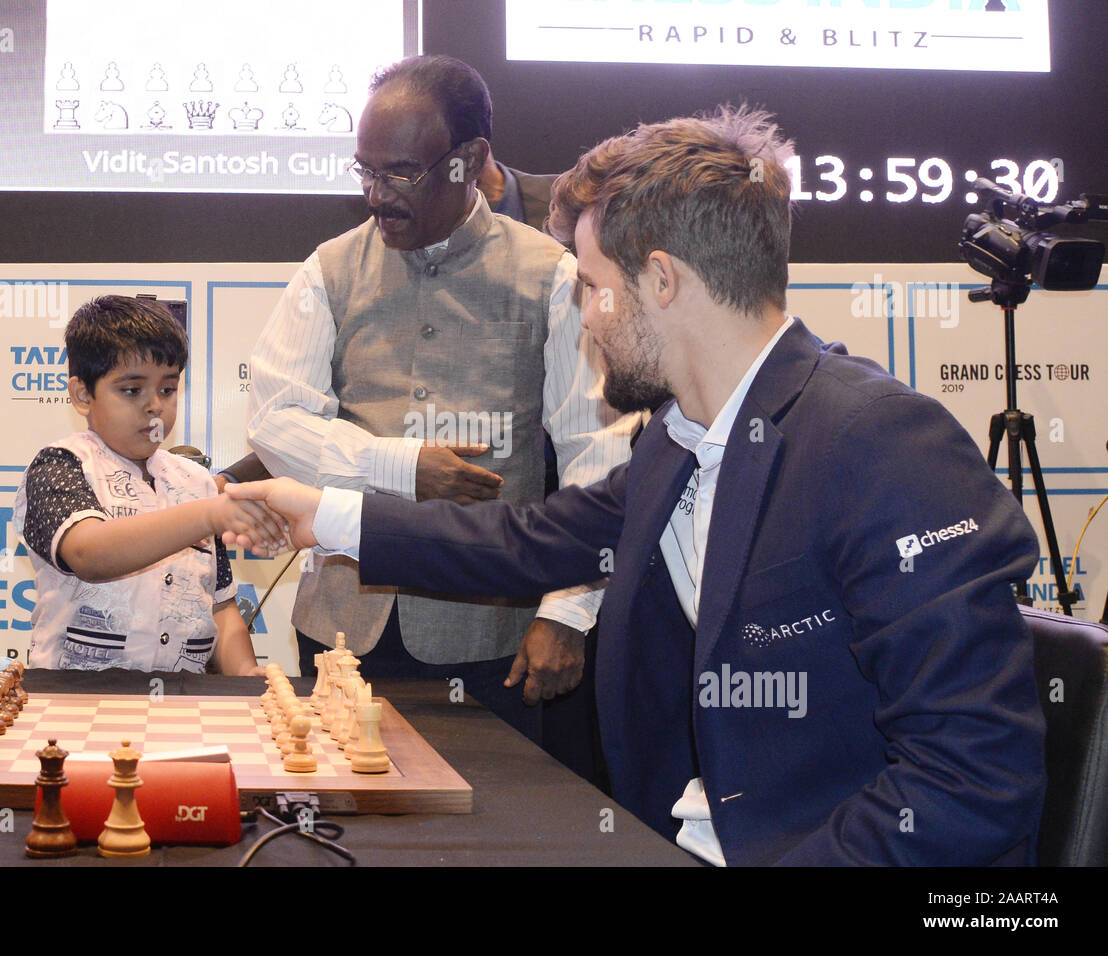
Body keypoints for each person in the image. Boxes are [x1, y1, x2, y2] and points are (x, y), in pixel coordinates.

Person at [223, 106, 1047, 865]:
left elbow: (969, 787)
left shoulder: (880, 444)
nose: (583, 316)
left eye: (590, 284)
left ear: (661, 281)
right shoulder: (676, 441)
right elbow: (532, 541)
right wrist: (320, 514)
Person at [219, 55, 637, 741]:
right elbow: (274, 421)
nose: (378, 194)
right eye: (366, 170)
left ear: (468, 160)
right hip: (343, 626)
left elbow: (599, 457)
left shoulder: (551, 276)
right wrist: (397, 466)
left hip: (494, 637)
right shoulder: (328, 270)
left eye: (402, 172)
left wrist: (567, 612)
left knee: (489, 840)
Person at [13, 295, 280, 675]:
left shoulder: (197, 483)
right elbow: (89, 553)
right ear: (82, 395)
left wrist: (247, 677)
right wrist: (209, 514)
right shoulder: (61, 464)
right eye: (132, 391)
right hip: (74, 703)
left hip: (184, 707)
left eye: (167, 390)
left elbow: (220, 607)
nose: (154, 406)